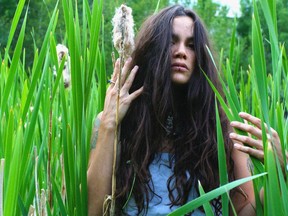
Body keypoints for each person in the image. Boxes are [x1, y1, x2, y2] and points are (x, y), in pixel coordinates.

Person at [87, 5, 284, 216]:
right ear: (152, 49)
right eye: (171, 42)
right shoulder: (117, 124)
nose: (181, 52)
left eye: (191, 45)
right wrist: (109, 124)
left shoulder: (223, 132)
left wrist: (279, 172)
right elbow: (93, 209)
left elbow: (245, 212)